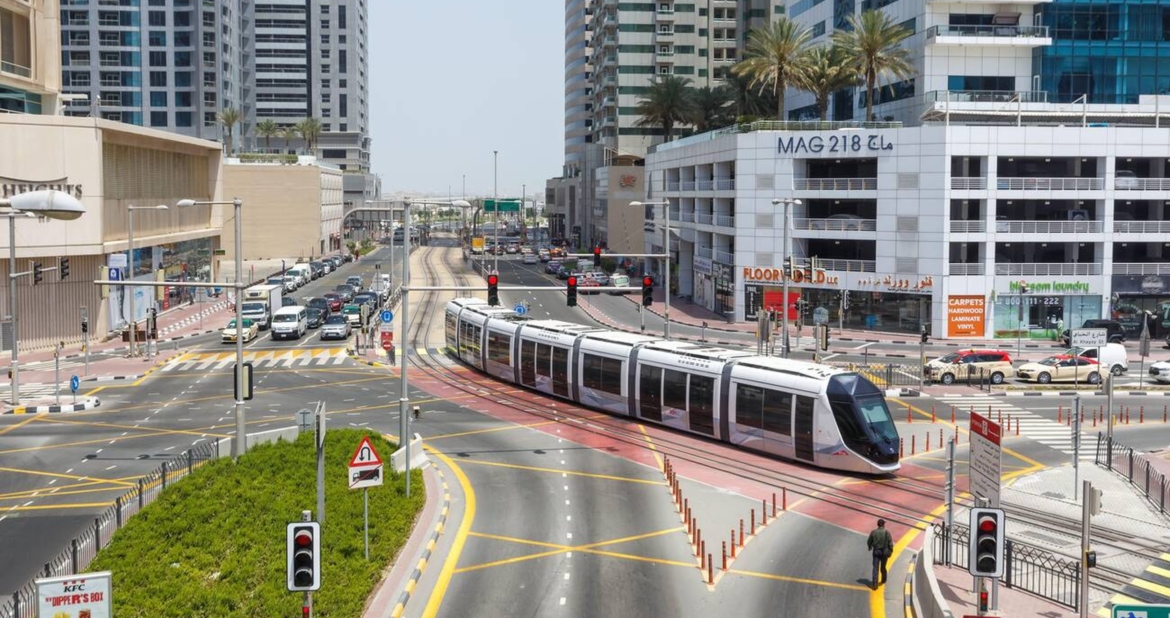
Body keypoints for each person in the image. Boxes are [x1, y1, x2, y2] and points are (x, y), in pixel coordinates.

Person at [867, 518, 893, 589]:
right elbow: (890, 544)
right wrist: (890, 551)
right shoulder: (887, 533)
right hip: (884, 552)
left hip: (876, 551)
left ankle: (874, 584)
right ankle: (883, 580)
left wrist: (869, 546)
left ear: (878, 525)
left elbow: (869, 541)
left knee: (875, 568)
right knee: (883, 567)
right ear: (883, 525)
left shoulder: (873, 532)